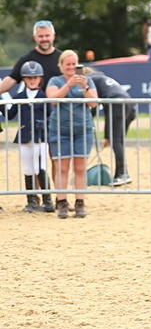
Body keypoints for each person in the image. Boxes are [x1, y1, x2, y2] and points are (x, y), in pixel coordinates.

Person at [45, 50, 98, 218]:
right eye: (67, 64)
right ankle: (62, 202)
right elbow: (53, 99)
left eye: (74, 64)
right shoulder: (55, 81)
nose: (71, 67)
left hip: (82, 130)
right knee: (62, 167)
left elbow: (93, 103)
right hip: (60, 130)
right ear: (61, 65)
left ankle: (80, 202)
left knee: (80, 167)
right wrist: (68, 85)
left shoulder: (87, 80)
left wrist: (84, 86)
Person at [4, 61, 54, 213]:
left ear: (40, 79)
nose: (32, 80)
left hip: (40, 135)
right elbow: (10, 114)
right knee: (28, 168)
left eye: (35, 77)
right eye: (29, 78)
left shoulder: (44, 96)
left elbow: (50, 115)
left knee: (41, 167)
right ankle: (31, 201)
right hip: (25, 135)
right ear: (24, 79)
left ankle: (47, 201)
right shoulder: (19, 96)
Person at [81, 66, 136, 187]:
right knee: (118, 141)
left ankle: (123, 174)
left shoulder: (90, 80)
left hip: (116, 104)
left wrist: (86, 121)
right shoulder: (103, 78)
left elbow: (94, 105)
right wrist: (107, 136)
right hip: (129, 105)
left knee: (116, 140)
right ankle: (120, 173)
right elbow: (106, 111)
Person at [0, 19, 63, 97]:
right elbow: (11, 79)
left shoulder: (63, 58)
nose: (44, 39)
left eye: (47, 35)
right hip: (35, 108)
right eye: (40, 36)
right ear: (35, 37)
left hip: (58, 107)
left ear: (54, 36)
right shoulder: (26, 59)